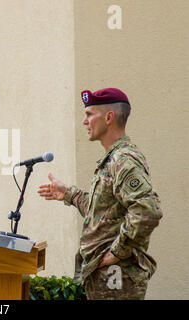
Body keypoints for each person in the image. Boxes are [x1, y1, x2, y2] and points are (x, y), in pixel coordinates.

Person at [37, 88, 163, 300]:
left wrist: (118, 251)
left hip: (117, 280)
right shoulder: (112, 159)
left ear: (108, 117)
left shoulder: (124, 160)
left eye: (89, 114)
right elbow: (103, 215)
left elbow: (148, 211)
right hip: (105, 280)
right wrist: (68, 194)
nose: (84, 121)